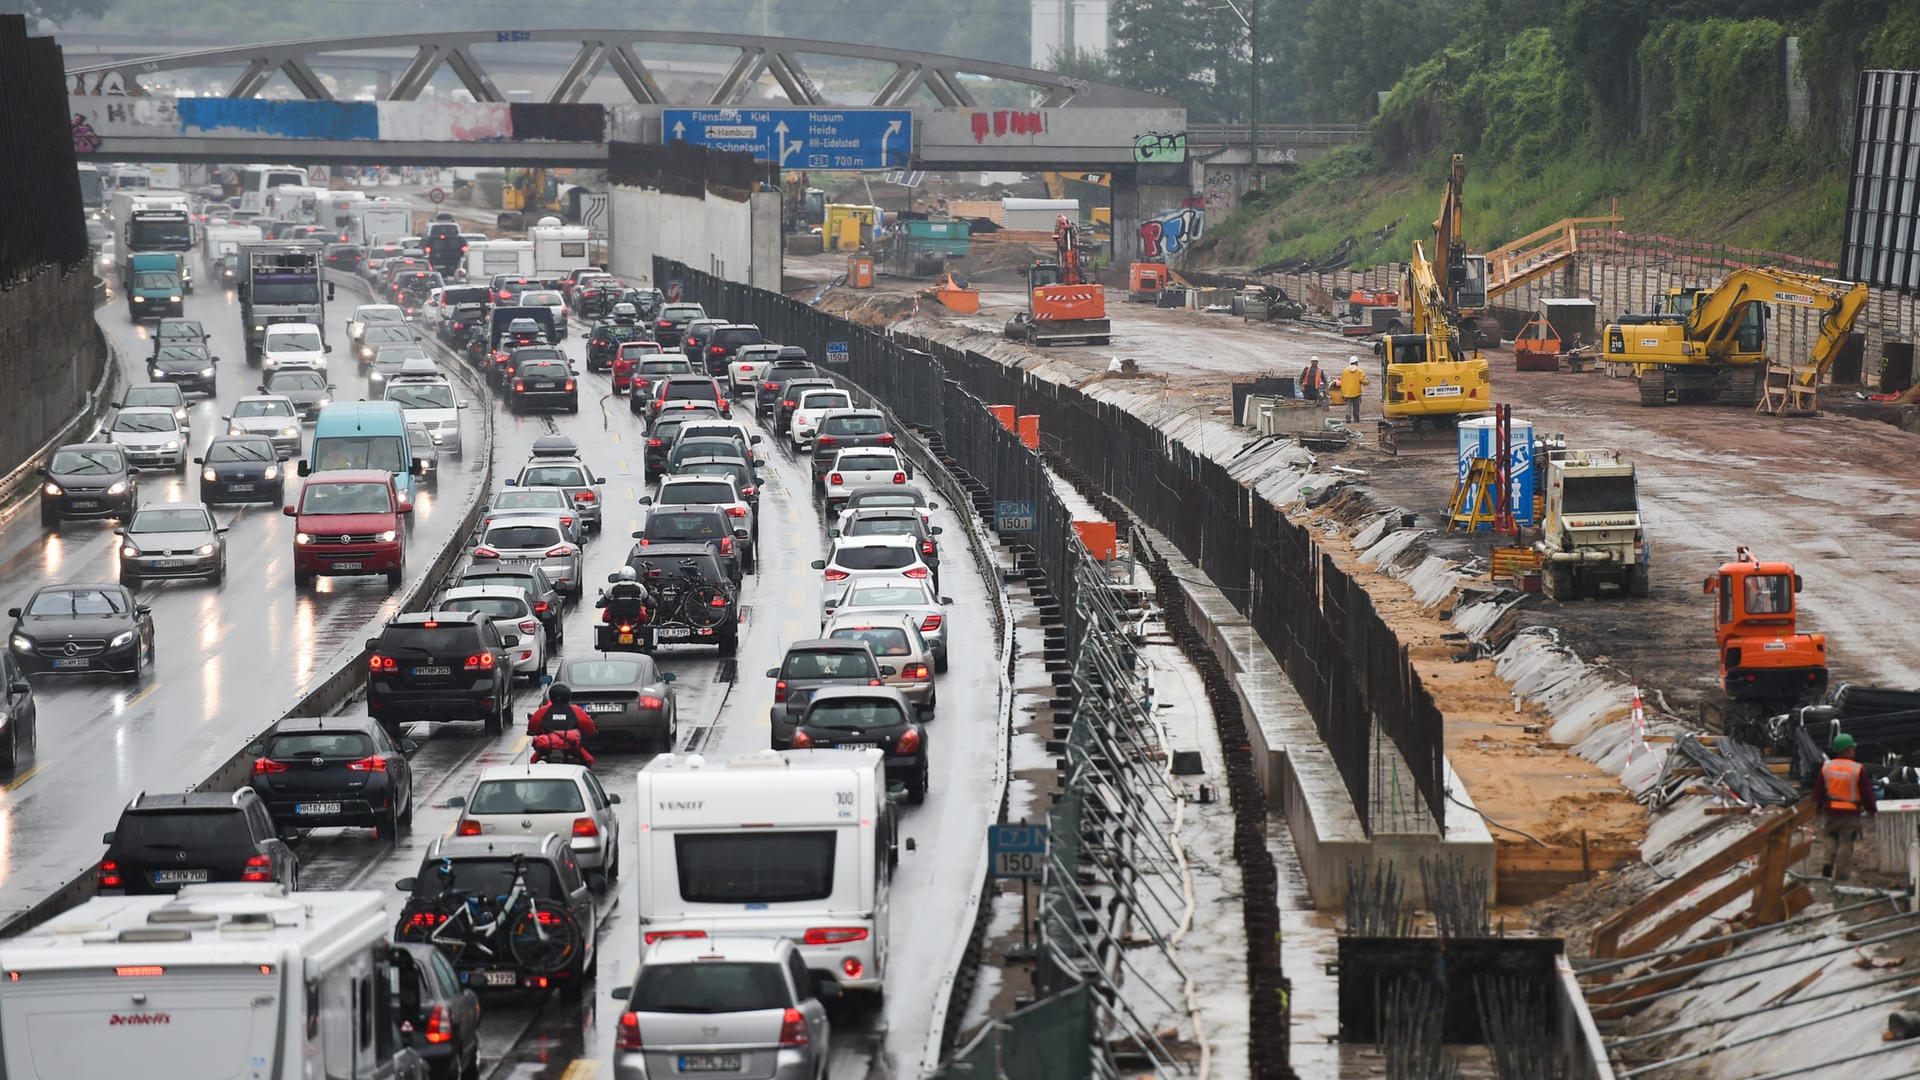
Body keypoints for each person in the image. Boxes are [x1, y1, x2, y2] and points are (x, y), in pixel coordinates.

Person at [1817, 733, 1875, 880]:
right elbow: (1866, 792)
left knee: (1830, 836)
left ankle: (1827, 863)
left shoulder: (1827, 766)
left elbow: (1818, 790)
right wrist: (1871, 809)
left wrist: (1818, 808)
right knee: (1846, 842)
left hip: (1831, 810)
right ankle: (1841, 874)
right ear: (1848, 750)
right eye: (1852, 748)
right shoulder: (1857, 769)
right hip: (1850, 813)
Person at [528, 682, 597, 767]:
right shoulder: (576, 711)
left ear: (551, 696)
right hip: (572, 747)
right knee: (588, 761)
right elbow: (589, 728)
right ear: (568, 696)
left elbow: (532, 727)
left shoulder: (542, 711)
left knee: (533, 764)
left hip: (547, 748)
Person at [1339, 357, 1370, 422]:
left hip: (1347, 392)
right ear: (1357, 362)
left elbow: (1342, 382)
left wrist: (1343, 393)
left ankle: (1348, 417)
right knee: (1356, 406)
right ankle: (1356, 418)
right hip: (1356, 392)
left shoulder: (1345, 371)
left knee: (1348, 405)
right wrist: (1367, 382)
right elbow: (1363, 380)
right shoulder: (1359, 371)